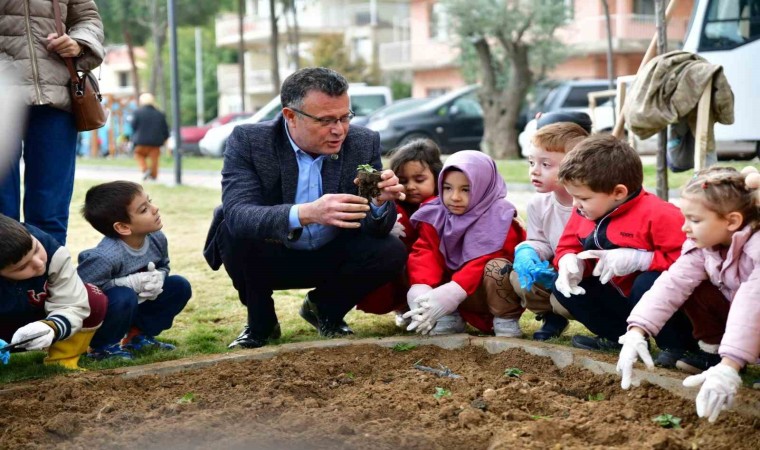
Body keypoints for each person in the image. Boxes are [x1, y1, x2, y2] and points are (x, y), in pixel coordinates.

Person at [203, 67, 406, 349]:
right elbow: (239, 212)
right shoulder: (250, 141)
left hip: (333, 254)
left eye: (344, 117)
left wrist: (379, 203)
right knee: (228, 227)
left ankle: (325, 309)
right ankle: (261, 324)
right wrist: (308, 213)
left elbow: (376, 227)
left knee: (391, 250)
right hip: (271, 254)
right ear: (290, 116)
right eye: (325, 120)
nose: (339, 130)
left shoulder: (362, 142)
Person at [616, 166, 760, 423]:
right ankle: (716, 355)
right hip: (745, 318)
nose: (684, 228)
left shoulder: (756, 248)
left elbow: (752, 304)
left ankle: (729, 362)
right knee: (693, 287)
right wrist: (636, 331)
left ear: (732, 221)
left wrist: (730, 365)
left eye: (694, 220)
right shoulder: (703, 246)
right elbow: (672, 284)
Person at [552, 134, 697, 365]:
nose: (575, 204)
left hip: (658, 301)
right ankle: (617, 337)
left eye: (583, 198)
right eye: (573, 197)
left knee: (648, 282)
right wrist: (569, 261)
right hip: (620, 297)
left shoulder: (659, 214)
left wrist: (644, 261)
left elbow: (694, 261)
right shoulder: (583, 211)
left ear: (618, 192)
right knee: (565, 287)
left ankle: (679, 345)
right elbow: (567, 244)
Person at [0, 0, 105, 245]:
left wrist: (78, 43)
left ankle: (48, 279)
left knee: (50, 211)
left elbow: (87, 18)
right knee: (2, 209)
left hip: (55, 96)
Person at [403, 150, 527, 336]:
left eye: (465, 189)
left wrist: (455, 290)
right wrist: (421, 286)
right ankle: (449, 316)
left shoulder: (500, 217)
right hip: (448, 295)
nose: (454, 197)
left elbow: (491, 256)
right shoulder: (436, 213)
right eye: (447, 188)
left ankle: (505, 318)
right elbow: (426, 250)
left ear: (483, 187)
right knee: (426, 262)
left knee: (498, 267)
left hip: (485, 293)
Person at [77, 181, 192, 360]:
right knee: (124, 295)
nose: (155, 208)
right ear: (123, 227)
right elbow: (81, 292)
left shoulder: (156, 238)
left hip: (137, 304)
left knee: (179, 285)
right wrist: (123, 284)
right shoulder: (106, 256)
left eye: (150, 201)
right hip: (111, 311)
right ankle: (102, 346)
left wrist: (159, 277)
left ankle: (137, 336)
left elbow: (164, 264)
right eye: (143, 209)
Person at [507, 120, 588, 341]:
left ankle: (605, 325)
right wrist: (528, 251)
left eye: (546, 164)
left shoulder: (589, 203)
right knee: (518, 277)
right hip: (553, 270)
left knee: (563, 300)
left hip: (586, 278)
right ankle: (551, 317)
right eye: (532, 162)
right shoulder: (538, 204)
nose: (534, 170)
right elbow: (540, 240)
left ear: (575, 165)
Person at [0, 214, 107, 369]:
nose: (39, 263)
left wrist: (52, 326)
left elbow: (72, 303)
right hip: (5, 330)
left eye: (36, 249)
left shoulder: (52, 250)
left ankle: (63, 361)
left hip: (43, 322)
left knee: (93, 297)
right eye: (22, 267)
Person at [356, 138, 443, 327]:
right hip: (402, 274)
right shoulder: (393, 211)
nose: (411, 186)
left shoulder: (445, 208)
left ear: (437, 177)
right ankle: (403, 307)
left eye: (419, 180)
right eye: (403, 181)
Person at [130, 93, 169, 181]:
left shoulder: (137, 113)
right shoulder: (160, 114)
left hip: (141, 141)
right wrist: (165, 138)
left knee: (138, 155)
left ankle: (145, 169)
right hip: (156, 142)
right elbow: (165, 128)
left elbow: (133, 126)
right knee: (154, 159)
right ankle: (154, 176)